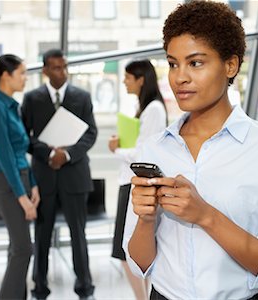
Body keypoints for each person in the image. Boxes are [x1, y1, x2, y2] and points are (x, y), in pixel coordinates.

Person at [123, 2, 258, 300]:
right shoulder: (153, 149)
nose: (179, 77)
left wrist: (206, 215)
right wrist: (146, 219)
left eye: (195, 63)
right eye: (172, 63)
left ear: (230, 65)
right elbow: (139, 263)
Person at [21, 49, 97, 300]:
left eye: (64, 67)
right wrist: (48, 154)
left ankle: (85, 287)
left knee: (79, 234)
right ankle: (39, 287)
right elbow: (25, 138)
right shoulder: (32, 99)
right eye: (55, 68)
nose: (61, 72)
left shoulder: (82, 97)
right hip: (44, 179)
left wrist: (67, 155)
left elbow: (90, 133)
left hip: (74, 176)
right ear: (44, 70)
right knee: (41, 236)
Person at [108, 59, 167, 299]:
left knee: (125, 253)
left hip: (134, 183)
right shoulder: (147, 108)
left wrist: (116, 149)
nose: (124, 81)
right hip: (131, 182)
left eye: (128, 77)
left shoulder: (153, 109)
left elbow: (143, 154)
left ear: (141, 79)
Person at [0, 54, 40, 300]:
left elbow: (20, 150)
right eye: (22, 73)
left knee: (17, 248)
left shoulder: (10, 105)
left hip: (22, 178)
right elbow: (6, 158)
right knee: (23, 249)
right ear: (6, 76)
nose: (26, 78)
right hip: (8, 183)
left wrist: (34, 185)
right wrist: (22, 197)